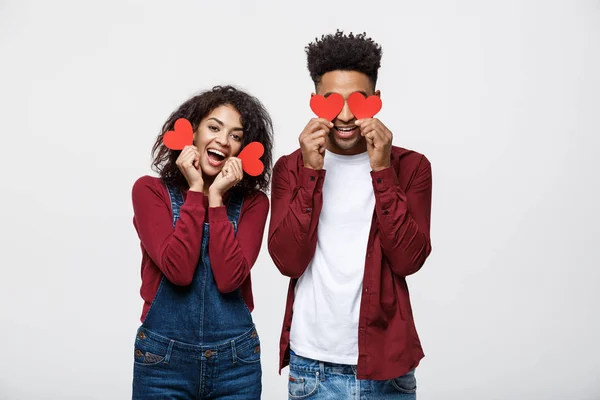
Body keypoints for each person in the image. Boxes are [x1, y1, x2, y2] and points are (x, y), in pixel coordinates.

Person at [268, 31, 433, 399]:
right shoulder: (290, 169)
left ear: (376, 101)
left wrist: (382, 170)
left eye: (357, 102)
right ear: (314, 101)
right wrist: (311, 172)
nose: (344, 116)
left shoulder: (412, 167)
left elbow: (408, 259)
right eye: (331, 102)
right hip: (312, 365)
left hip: (387, 369)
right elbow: (288, 261)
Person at [131, 85, 273, 399]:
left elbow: (229, 279)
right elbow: (178, 270)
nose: (223, 140)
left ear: (244, 150)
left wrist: (218, 199)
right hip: (161, 361)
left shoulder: (254, 204)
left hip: (236, 363)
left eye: (236, 136)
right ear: (191, 133)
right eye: (214, 127)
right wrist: (196, 191)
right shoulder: (149, 192)